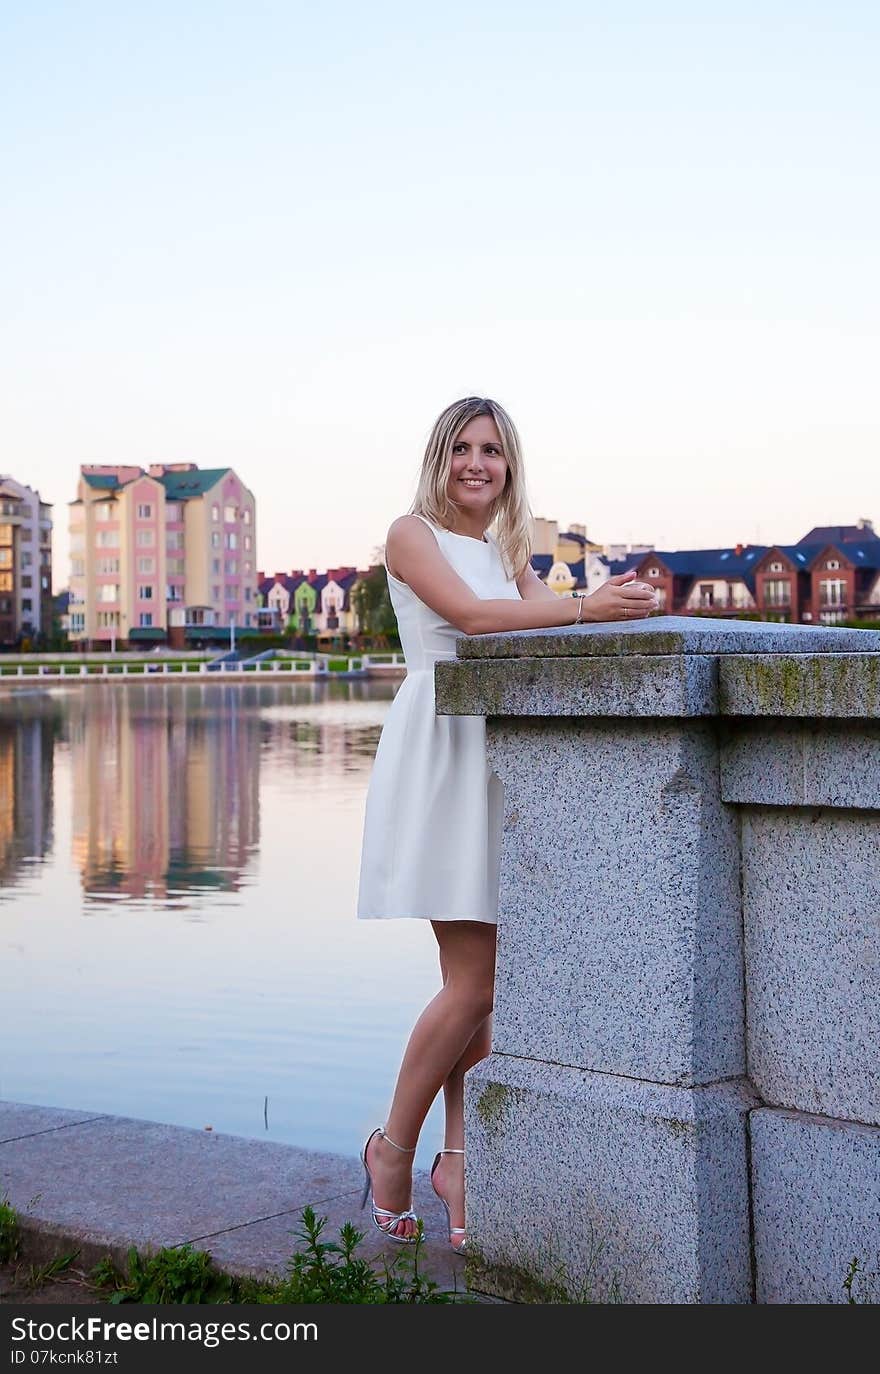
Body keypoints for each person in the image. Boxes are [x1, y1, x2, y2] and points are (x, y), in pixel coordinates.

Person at [355, 396, 659, 1251]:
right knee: (475, 983)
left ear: (510, 466)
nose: (477, 464)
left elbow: (540, 631)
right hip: (443, 750)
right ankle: (394, 1148)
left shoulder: (508, 547)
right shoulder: (411, 533)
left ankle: (462, 1160)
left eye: (493, 450)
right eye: (462, 448)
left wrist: (620, 610)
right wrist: (580, 607)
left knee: (488, 986)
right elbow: (479, 621)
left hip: (501, 759)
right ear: (439, 458)